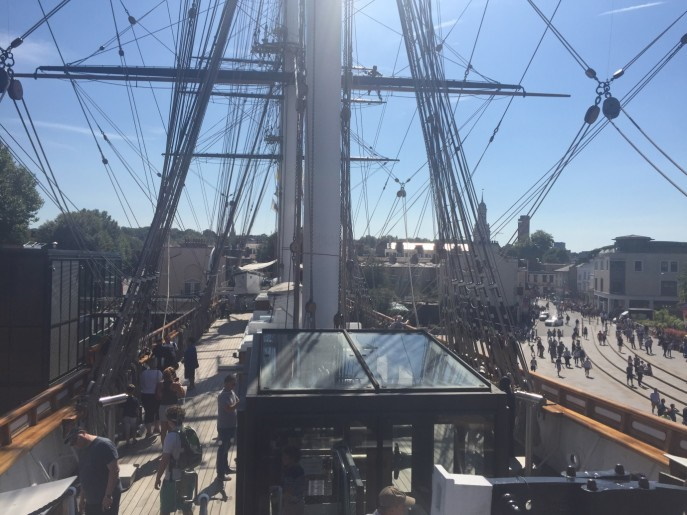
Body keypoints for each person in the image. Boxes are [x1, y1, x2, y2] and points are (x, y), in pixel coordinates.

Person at [65, 426, 121, 515]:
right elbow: (84, 475)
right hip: (91, 501)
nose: (75, 444)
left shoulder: (104, 445)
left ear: (83, 433)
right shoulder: (82, 450)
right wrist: (82, 499)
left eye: (75, 440)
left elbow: (114, 471)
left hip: (104, 498)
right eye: (72, 443)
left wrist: (108, 496)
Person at [154, 406, 189, 515]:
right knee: (186, 507)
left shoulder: (170, 437)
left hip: (172, 478)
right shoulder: (188, 431)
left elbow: (164, 461)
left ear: (169, 421)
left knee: (165, 509)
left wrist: (158, 477)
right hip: (187, 475)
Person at [217, 374, 239, 481]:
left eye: (235, 383)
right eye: (232, 383)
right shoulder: (222, 396)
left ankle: (226, 468)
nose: (234, 385)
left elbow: (236, 399)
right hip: (224, 427)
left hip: (231, 425)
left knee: (226, 448)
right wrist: (238, 404)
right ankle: (220, 474)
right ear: (226, 383)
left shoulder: (231, 392)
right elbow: (228, 409)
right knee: (222, 450)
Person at [157, 367, 186, 442]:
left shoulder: (160, 384)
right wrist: (181, 386)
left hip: (163, 407)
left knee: (163, 430)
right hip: (172, 407)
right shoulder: (175, 385)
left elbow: (158, 397)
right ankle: (170, 448)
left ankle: (164, 448)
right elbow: (182, 395)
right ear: (171, 375)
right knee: (171, 429)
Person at [140, 358, 163, 438]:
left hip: (146, 395)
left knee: (148, 412)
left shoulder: (144, 373)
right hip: (156, 395)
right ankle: (157, 428)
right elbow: (160, 383)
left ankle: (149, 431)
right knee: (157, 411)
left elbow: (142, 384)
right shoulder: (159, 373)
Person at [281, 446, 306, 515]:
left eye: (285, 456)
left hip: (291, 504)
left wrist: (279, 497)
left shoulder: (291, 471)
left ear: (292, 458)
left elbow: (288, 490)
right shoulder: (300, 469)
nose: (282, 458)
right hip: (299, 502)